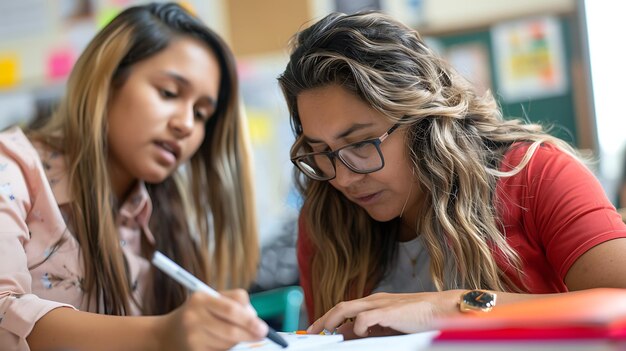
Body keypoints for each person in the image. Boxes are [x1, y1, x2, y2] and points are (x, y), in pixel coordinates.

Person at [277, 11, 626, 339]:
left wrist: (450, 306)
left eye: (362, 143)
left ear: (423, 121)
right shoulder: (325, 217)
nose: (343, 178)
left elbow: (620, 302)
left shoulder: (536, 174)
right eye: (321, 151)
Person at [0, 3, 268, 350]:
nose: (186, 124)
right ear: (107, 80)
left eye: (202, 114)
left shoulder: (165, 220)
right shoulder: (12, 167)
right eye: (169, 93)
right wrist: (162, 334)